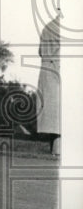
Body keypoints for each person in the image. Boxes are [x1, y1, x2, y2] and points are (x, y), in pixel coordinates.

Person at [36, 9, 61, 155]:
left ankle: (54, 151)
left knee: (53, 114)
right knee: (59, 114)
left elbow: (40, 51)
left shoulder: (48, 26)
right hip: (58, 69)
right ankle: (57, 151)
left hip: (46, 70)